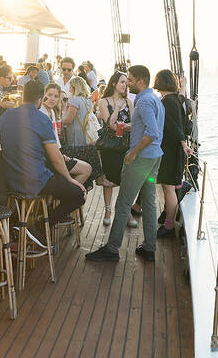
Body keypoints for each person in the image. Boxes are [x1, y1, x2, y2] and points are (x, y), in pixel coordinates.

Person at [86, 65, 164, 263]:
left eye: (130, 80)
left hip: (140, 159)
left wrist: (133, 153)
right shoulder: (155, 99)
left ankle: (112, 249)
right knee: (148, 202)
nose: (127, 83)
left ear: (140, 81)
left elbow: (152, 132)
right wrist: (129, 126)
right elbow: (150, 128)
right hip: (155, 157)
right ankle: (149, 247)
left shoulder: (144, 102)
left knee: (123, 203)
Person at [0, 80, 86, 245]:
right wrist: (70, 179)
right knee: (79, 195)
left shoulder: (6, 116)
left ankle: (29, 225)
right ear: (40, 99)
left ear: (23, 95)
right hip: (35, 181)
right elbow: (56, 158)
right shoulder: (41, 119)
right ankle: (38, 226)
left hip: (11, 181)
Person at [152, 70, 194, 237]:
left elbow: (175, 126)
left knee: (168, 188)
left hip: (170, 149)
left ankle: (169, 225)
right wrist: (183, 86)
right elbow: (182, 99)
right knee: (168, 186)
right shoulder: (176, 99)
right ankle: (168, 218)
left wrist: (183, 144)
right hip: (174, 149)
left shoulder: (167, 102)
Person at [97, 72, 133, 226]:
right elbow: (110, 125)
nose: (125, 85)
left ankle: (127, 212)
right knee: (109, 181)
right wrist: (117, 109)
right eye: (122, 82)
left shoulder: (129, 102)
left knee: (126, 181)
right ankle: (108, 210)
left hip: (125, 145)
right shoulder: (103, 102)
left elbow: (135, 124)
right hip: (110, 147)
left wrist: (125, 126)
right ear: (114, 84)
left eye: (126, 82)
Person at [40, 83, 91, 184]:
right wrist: (59, 155)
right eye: (49, 95)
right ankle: (70, 192)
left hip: (55, 154)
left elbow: (55, 138)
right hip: (47, 157)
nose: (52, 99)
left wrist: (60, 154)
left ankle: (68, 192)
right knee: (86, 169)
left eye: (55, 96)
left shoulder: (52, 112)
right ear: (44, 95)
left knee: (88, 164)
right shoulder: (41, 112)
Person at [61, 75, 105, 187]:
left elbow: (68, 120)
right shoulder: (87, 101)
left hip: (75, 139)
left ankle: (73, 192)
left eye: (71, 87)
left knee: (76, 168)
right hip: (85, 138)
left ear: (75, 87)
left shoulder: (74, 101)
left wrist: (57, 121)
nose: (69, 89)